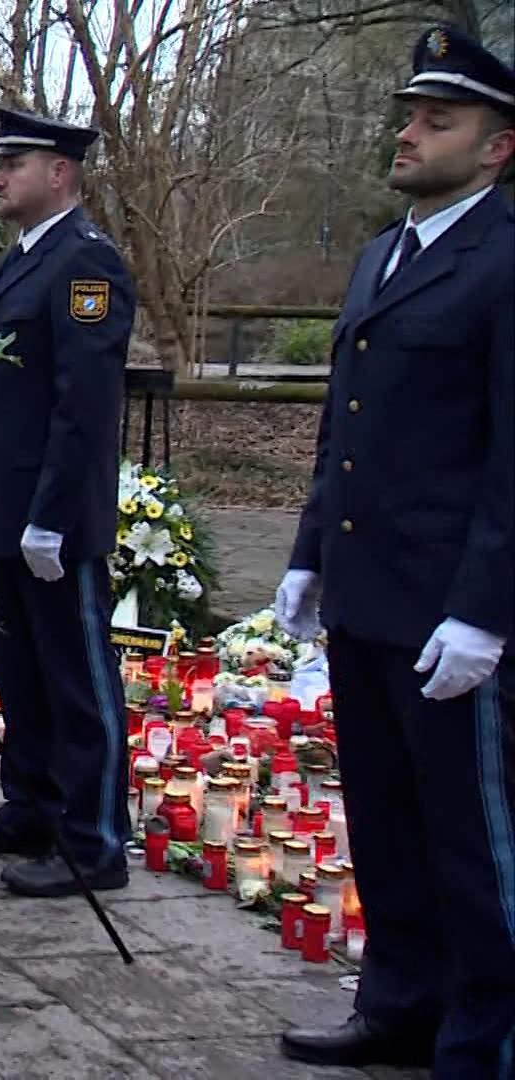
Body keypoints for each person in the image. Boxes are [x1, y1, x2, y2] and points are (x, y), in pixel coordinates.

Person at [271, 25, 513, 1074]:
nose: (408, 133)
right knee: (385, 824)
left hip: (452, 606)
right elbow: (349, 424)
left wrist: (487, 609)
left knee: (473, 844)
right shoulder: (384, 252)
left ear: (499, 146)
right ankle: (400, 1004)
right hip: (368, 596)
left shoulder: (503, 260)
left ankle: (484, 1037)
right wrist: (308, 552)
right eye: (410, 115)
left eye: (438, 120)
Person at [0, 106, 136, 899]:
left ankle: (94, 842)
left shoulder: (86, 265)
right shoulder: (21, 259)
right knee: (19, 670)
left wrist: (51, 516)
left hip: (53, 522)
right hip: (5, 514)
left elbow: (82, 405)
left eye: (13, 164)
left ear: (60, 173)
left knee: (78, 682)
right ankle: (32, 808)